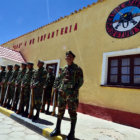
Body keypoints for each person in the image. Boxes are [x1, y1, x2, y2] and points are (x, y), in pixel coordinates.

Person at [50, 51, 84, 140]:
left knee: (72, 113)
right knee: (60, 111)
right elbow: (59, 79)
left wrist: (74, 91)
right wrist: (57, 87)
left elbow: (81, 81)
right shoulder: (64, 68)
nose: (68, 58)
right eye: (67, 57)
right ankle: (57, 129)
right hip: (62, 94)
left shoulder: (77, 69)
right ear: (65, 58)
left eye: (70, 57)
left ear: (73, 58)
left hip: (72, 95)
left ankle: (72, 134)